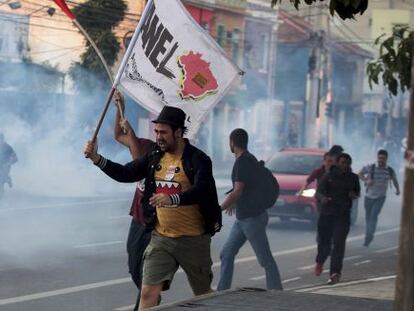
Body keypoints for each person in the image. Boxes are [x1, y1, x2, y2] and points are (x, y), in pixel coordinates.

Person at [84, 106, 221, 310]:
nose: (158, 137)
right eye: (156, 132)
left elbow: (203, 190)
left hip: (193, 240)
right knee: (148, 292)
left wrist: (172, 199)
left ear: (177, 132)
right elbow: (126, 173)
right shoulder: (155, 157)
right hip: (161, 239)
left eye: (163, 132)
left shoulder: (197, 159)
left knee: (203, 294)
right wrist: (97, 159)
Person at [217, 128, 283, 291]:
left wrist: (219, 208)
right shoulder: (250, 159)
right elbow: (248, 188)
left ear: (232, 142)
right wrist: (234, 203)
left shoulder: (242, 162)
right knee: (226, 253)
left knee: (265, 259)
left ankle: (277, 291)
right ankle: (222, 291)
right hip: (244, 218)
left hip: (252, 218)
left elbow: (238, 190)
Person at [113, 91, 155, 311]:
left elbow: (138, 163)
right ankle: (151, 297)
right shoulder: (142, 142)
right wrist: (120, 107)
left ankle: (147, 300)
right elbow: (117, 135)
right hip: (137, 217)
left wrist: (131, 136)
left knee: (146, 269)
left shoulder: (154, 153)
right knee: (132, 262)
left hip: (152, 221)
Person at [314, 153, 360, 285]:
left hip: (343, 215)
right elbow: (319, 192)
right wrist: (324, 199)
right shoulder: (329, 176)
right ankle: (320, 261)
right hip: (327, 214)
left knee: (339, 244)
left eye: (347, 163)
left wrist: (353, 194)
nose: (344, 165)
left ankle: (335, 273)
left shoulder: (353, 178)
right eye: (342, 162)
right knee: (324, 243)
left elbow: (357, 192)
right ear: (337, 163)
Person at [358, 149, 400, 247]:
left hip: (380, 197)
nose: (381, 160)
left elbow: (395, 180)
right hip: (368, 197)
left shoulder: (389, 170)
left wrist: (397, 190)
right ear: (377, 158)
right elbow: (360, 173)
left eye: (383, 158)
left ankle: (369, 236)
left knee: (374, 215)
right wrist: (366, 180)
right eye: (379, 158)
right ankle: (369, 234)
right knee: (368, 217)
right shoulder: (371, 167)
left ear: (386, 159)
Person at [0, 133, 18, 200]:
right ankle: (7, 178)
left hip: (5, 167)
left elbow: (16, 158)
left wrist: (9, 163)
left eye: (1, 139)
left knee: (0, 182)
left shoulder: (8, 147)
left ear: (3, 139)